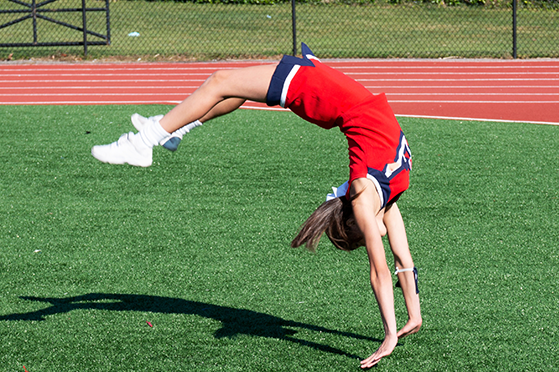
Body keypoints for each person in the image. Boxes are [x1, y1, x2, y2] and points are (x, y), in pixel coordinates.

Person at [91, 43, 421, 369]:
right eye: (363, 236)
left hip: (331, 95)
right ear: (354, 220)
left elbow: (400, 258)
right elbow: (383, 269)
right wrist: (394, 330)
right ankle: (147, 141)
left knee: (226, 82)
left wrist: (412, 313)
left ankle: (165, 131)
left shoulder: (380, 196)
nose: (372, 236)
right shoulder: (368, 199)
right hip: (322, 91)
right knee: (223, 82)